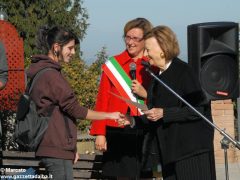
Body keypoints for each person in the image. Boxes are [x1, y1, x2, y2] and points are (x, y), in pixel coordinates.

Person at [27, 25, 124, 180]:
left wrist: (70, 148)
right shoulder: (52, 76)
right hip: (55, 148)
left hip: (54, 146)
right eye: (70, 48)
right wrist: (109, 115)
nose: (73, 53)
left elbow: (58, 114)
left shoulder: (41, 71)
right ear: (56, 47)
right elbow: (75, 110)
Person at [127, 25, 216, 180]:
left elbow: (199, 109)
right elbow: (154, 113)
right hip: (168, 153)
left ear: (162, 49)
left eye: (148, 50)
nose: (145, 55)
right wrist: (132, 120)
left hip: (190, 152)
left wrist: (164, 113)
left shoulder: (184, 72)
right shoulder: (156, 78)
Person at [90, 18, 153, 179]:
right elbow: (102, 98)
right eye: (127, 37)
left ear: (145, 40)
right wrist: (100, 133)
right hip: (115, 131)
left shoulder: (152, 66)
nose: (130, 42)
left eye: (135, 38)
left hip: (142, 130)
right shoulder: (114, 64)